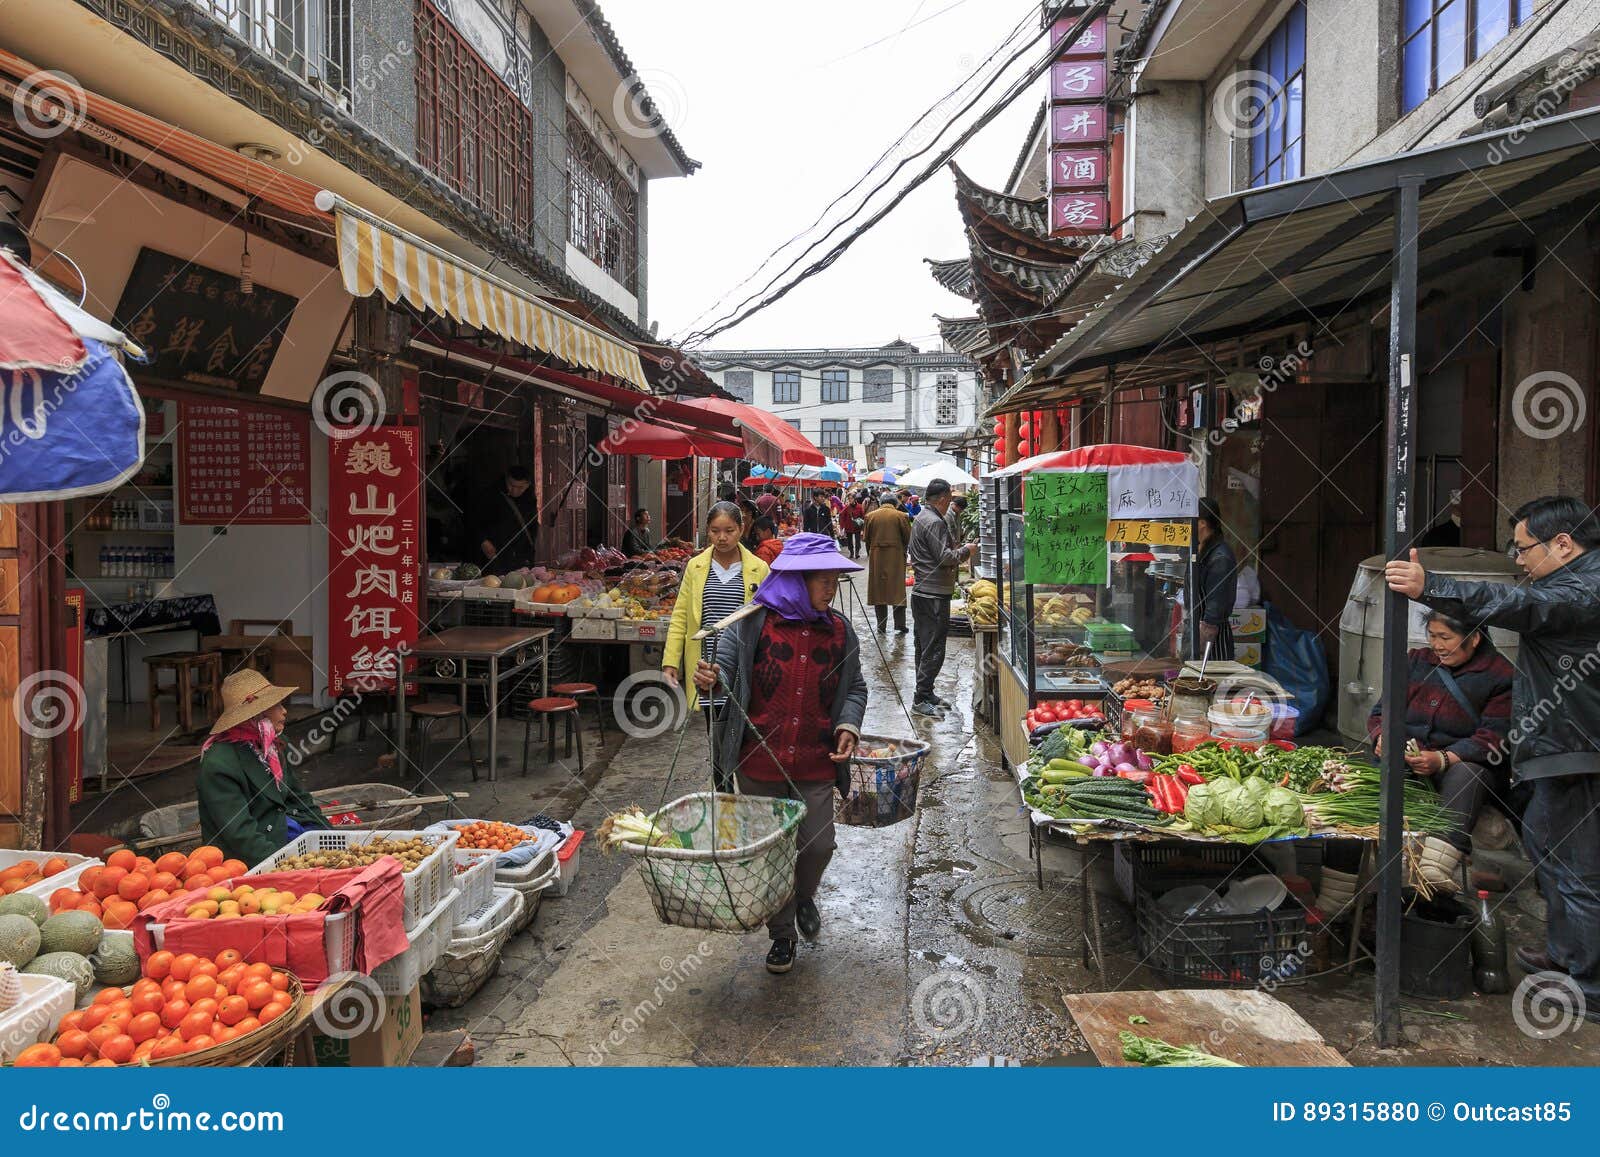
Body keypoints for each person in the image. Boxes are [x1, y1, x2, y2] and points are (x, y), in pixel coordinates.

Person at [1385, 495, 1600, 1016]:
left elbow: (1518, 606)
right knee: (1546, 846)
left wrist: (1430, 585)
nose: (1519, 559)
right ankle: (1565, 954)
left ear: (1564, 544)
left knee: (1578, 869)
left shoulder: (1584, 589)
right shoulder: (1571, 582)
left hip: (1578, 747)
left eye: (1523, 548)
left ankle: (1590, 986)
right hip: (1561, 746)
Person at [694, 533, 868, 974]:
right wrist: (710, 679)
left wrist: (847, 724)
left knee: (817, 844)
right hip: (759, 761)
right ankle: (783, 935)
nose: (831, 589)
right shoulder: (751, 624)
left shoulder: (840, 632)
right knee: (772, 856)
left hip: (814, 761)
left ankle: (804, 894)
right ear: (794, 580)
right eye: (823, 580)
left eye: (834, 580)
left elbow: (856, 688)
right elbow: (724, 677)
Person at [1366, 609, 1514, 889]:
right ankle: (1338, 894)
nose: (1437, 645)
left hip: (1459, 768)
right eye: (1432, 636)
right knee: (1357, 786)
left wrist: (1443, 759)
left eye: (1445, 637)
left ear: (1474, 639)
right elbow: (1380, 712)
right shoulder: (1416, 662)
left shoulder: (1501, 675)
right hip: (1406, 763)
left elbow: (1494, 737)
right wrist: (1382, 737)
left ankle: (1433, 875)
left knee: (1467, 774)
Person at [663, 502, 771, 787]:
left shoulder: (759, 569)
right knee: (718, 739)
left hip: (743, 667)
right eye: (715, 531)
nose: (722, 537)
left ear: (742, 529)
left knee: (746, 737)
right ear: (707, 531)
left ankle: (747, 795)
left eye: (729, 530)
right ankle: (722, 797)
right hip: (707, 669)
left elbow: (767, 619)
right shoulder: (696, 567)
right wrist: (671, 661)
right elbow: (681, 616)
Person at [196, 670, 327, 864]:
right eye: (277, 705)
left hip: (282, 830)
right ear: (257, 715)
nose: (285, 711)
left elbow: (299, 797)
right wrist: (282, 866)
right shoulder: (219, 764)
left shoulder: (273, 746)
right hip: (247, 858)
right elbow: (240, 833)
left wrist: (329, 835)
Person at [908, 479, 972, 716]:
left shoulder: (922, 517)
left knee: (924, 645)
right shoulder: (934, 521)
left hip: (925, 591)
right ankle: (921, 697)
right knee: (933, 647)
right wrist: (967, 551)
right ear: (944, 498)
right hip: (933, 593)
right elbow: (946, 557)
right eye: (949, 499)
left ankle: (925, 691)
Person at [1195, 499, 1238, 660]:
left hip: (1212, 642)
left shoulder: (1220, 557)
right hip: (1198, 634)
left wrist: (1199, 647)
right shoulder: (1203, 550)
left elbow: (1215, 608)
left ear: (1202, 523)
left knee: (1212, 684)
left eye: (1188, 521)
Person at [476, 465, 539, 574]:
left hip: (520, 555)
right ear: (506, 479)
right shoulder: (491, 494)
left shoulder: (529, 497)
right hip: (495, 553)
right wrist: (483, 540)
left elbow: (532, 524)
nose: (514, 490)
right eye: (511, 485)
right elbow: (475, 520)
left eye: (520, 487)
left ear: (528, 485)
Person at [864, 494, 912, 634]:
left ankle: (881, 625)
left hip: (877, 557)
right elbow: (908, 537)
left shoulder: (870, 516)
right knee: (897, 590)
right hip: (896, 557)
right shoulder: (901, 516)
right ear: (895, 503)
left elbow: (866, 537)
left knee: (878, 591)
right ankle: (900, 624)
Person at [840, 492, 866, 559]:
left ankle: (857, 553)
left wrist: (863, 527)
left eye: (851, 498)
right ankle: (851, 552)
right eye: (849, 498)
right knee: (849, 541)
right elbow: (842, 515)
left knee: (858, 541)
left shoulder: (859, 507)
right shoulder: (847, 507)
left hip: (857, 526)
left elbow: (863, 516)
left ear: (855, 499)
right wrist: (842, 527)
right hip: (848, 526)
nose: (850, 500)